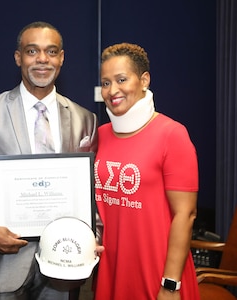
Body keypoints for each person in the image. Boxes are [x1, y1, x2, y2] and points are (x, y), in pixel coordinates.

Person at [0, 21, 99, 300]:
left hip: (64, 263)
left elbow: (89, 190)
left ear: (61, 58)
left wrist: (94, 236)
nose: (42, 60)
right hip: (0, 266)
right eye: (32, 51)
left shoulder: (86, 119)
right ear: (18, 57)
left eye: (51, 51)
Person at [93, 42, 200, 299]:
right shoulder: (100, 135)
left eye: (121, 79)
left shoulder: (172, 135)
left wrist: (170, 283)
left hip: (158, 271)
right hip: (112, 268)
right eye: (105, 83)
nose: (112, 90)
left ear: (144, 80)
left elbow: (185, 215)